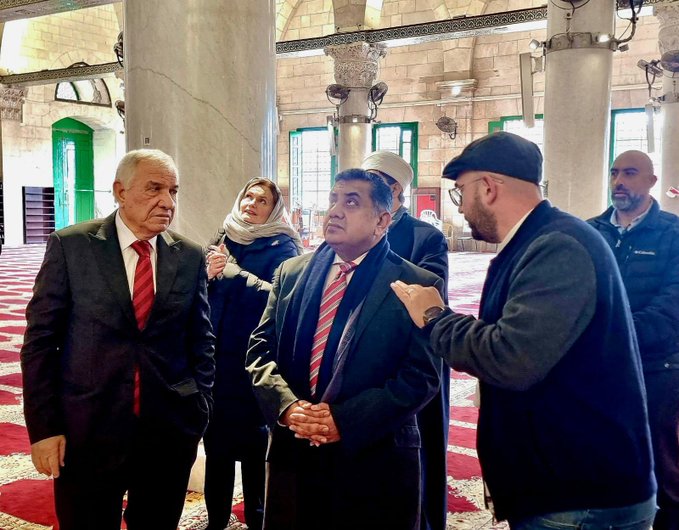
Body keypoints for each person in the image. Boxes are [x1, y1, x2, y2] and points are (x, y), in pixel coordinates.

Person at [391, 132, 656, 529]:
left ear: (488, 187)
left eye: (461, 192)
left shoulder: (558, 246)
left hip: (580, 495)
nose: (461, 207)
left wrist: (435, 316)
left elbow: (511, 358)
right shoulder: (538, 240)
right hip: (567, 484)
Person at [20, 149, 215, 530]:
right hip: (86, 431)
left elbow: (201, 340)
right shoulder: (72, 246)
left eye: (173, 190)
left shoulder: (189, 256)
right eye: (154, 188)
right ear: (120, 192)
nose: (167, 202)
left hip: (167, 433)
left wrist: (199, 410)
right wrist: (44, 428)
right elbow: (41, 342)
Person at [245, 168, 442, 530]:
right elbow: (260, 350)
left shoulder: (416, 283)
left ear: (382, 220)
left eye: (351, 202)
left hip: (374, 457)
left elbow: (421, 377)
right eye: (333, 200)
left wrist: (345, 420)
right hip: (295, 449)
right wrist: (287, 407)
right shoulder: (292, 273)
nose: (334, 211)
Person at [203, 177, 302, 530]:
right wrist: (207, 275)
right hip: (218, 358)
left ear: (273, 209)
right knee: (216, 446)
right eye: (249, 196)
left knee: (253, 447)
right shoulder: (225, 235)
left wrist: (237, 275)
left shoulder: (283, 245)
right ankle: (216, 520)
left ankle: (258, 519)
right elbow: (202, 290)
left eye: (262, 201)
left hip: (254, 360)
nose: (252, 204)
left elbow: (283, 298)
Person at [588, 150, 679, 530]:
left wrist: (613, 336)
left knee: (662, 469)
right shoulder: (590, 232)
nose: (619, 181)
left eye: (629, 173)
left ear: (652, 181)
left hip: (656, 368)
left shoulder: (673, 234)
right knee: (601, 460)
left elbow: (671, 307)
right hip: (600, 368)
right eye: (614, 173)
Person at [361, 151, 450, 530]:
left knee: (416, 454)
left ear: (395, 189)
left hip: (409, 356)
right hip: (362, 356)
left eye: (372, 181)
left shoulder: (425, 236)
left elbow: (426, 293)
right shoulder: (355, 227)